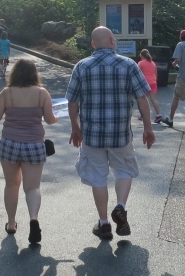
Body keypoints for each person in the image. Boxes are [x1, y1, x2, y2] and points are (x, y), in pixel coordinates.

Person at [67, 27, 156, 240]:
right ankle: (121, 206)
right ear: (112, 41)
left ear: (92, 44)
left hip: (92, 135)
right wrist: (148, 127)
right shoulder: (128, 65)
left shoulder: (82, 66)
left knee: (98, 177)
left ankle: (104, 223)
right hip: (120, 134)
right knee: (124, 170)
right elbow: (142, 98)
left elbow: (72, 101)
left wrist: (75, 128)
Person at [0, 59, 58, 242]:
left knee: (12, 185)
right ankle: (33, 219)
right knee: (32, 187)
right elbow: (50, 119)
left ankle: (11, 223)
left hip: (9, 143)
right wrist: (56, 117)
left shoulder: (7, 93)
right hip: (34, 145)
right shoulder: (42, 93)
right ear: (34, 74)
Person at [137, 48, 163, 124]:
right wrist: (155, 81)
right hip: (153, 82)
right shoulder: (153, 63)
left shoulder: (141, 63)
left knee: (142, 100)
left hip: (144, 83)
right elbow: (156, 74)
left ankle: (143, 116)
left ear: (142, 55)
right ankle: (159, 114)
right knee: (154, 99)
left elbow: (138, 73)